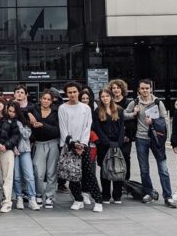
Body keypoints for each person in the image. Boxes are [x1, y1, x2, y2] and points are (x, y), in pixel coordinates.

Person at [124, 79, 177, 208]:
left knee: (163, 169)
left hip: (156, 139)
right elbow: (124, 115)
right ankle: (148, 192)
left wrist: (155, 125)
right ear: (139, 89)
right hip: (141, 138)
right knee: (144, 169)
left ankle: (168, 196)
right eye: (142, 88)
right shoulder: (134, 102)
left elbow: (165, 120)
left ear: (151, 88)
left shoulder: (158, 103)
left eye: (147, 88)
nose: (145, 91)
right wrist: (134, 113)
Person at [59, 82, 102, 212]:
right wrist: (72, 143)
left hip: (84, 146)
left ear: (79, 92)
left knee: (89, 173)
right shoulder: (63, 108)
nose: (72, 94)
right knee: (73, 174)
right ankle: (78, 199)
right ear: (67, 94)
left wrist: (82, 144)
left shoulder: (86, 108)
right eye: (70, 92)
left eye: (74, 92)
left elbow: (87, 127)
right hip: (69, 146)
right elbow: (63, 128)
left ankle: (98, 200)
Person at [29, 90, 60, 209]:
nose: (46, 101)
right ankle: (38, 193)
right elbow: (20, 107)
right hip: (39, 143)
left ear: (51, 101)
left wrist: (43, 125)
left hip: (53, 143)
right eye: (44, 98)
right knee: (38, 171)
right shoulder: (34, 109)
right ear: (40, 99)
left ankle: (49, 196)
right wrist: (29, 114)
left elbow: (57, 130)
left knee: (51, 171)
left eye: (48, 99)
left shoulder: (56, 112)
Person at [94, 88, 125, 204]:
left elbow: (122, 128)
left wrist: (119, 142)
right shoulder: (97, 111)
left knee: (118, 168)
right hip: (104, 144)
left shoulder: (119, 110)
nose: (105, 98)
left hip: (117, 143)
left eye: (107, 96)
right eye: (102, 96)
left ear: (111, 97)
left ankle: (117, 195)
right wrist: (106, 141)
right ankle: (105, 195)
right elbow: (97, 128)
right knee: (105, 169)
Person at [8, 102, 39, 211]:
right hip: (13, 151)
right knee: (16, 176)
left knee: (29, 176)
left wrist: (19, 125)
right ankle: (19, 197)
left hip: (25, 150)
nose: (12, 113)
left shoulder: (23, 121)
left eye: (14, 111)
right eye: (10, 111)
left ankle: (32, 198)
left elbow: (26, 135)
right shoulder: (7, 122)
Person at [109, 79, 133, 182]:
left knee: (125, 157)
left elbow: (132, 121)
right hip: (113, 135)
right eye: (113, 88)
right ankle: (116, 179)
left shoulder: (128, 102)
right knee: (114, 158)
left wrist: (128, 135)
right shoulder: (109, 102)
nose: (116, 90)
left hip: (126, 136)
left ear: (122, 89)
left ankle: (125, 180)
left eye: (118, 88)